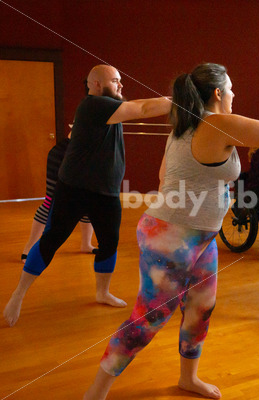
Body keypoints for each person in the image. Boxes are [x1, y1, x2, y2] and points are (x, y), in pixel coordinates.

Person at [83, 62, 259, 400]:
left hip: (201, 234)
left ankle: (188, 379)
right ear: (217, 93)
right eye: (232, 87)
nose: (234, 93)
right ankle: (95, 393)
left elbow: (164, 171)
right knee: (148, 319)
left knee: (200, 308)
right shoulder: (216, 123)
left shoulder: (186, 123)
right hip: (172, 236)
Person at [3, 64, 172, 327]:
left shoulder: (109, 108)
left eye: (120, 81)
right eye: (115, 81)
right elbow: (143, 109)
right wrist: (183, 101)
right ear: (95, 84)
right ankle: (18, 294)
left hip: (105, 193)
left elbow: (137, 107)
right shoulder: (94, 104)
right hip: (74, 188)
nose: (120, 85)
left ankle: (102, 292)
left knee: (109, 243)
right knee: (52, 239)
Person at [21, 136, 96, 263]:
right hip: (64, 155)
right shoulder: (92, 116)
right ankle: (29, 248)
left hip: (87, 158)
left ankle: (86, 244)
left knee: (88, 201)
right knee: (50, 202)